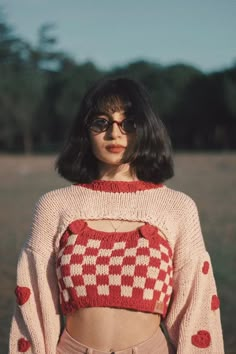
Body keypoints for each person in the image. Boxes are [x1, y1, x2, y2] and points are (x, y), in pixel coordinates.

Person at [9, 77, 224, 354]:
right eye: (101, 122)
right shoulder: (54, 206)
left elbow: (196, 307)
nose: (115, 133)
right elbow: (34, 308)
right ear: (85, 132)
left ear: (146, 129)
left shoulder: (176, 207)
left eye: (129, 123)